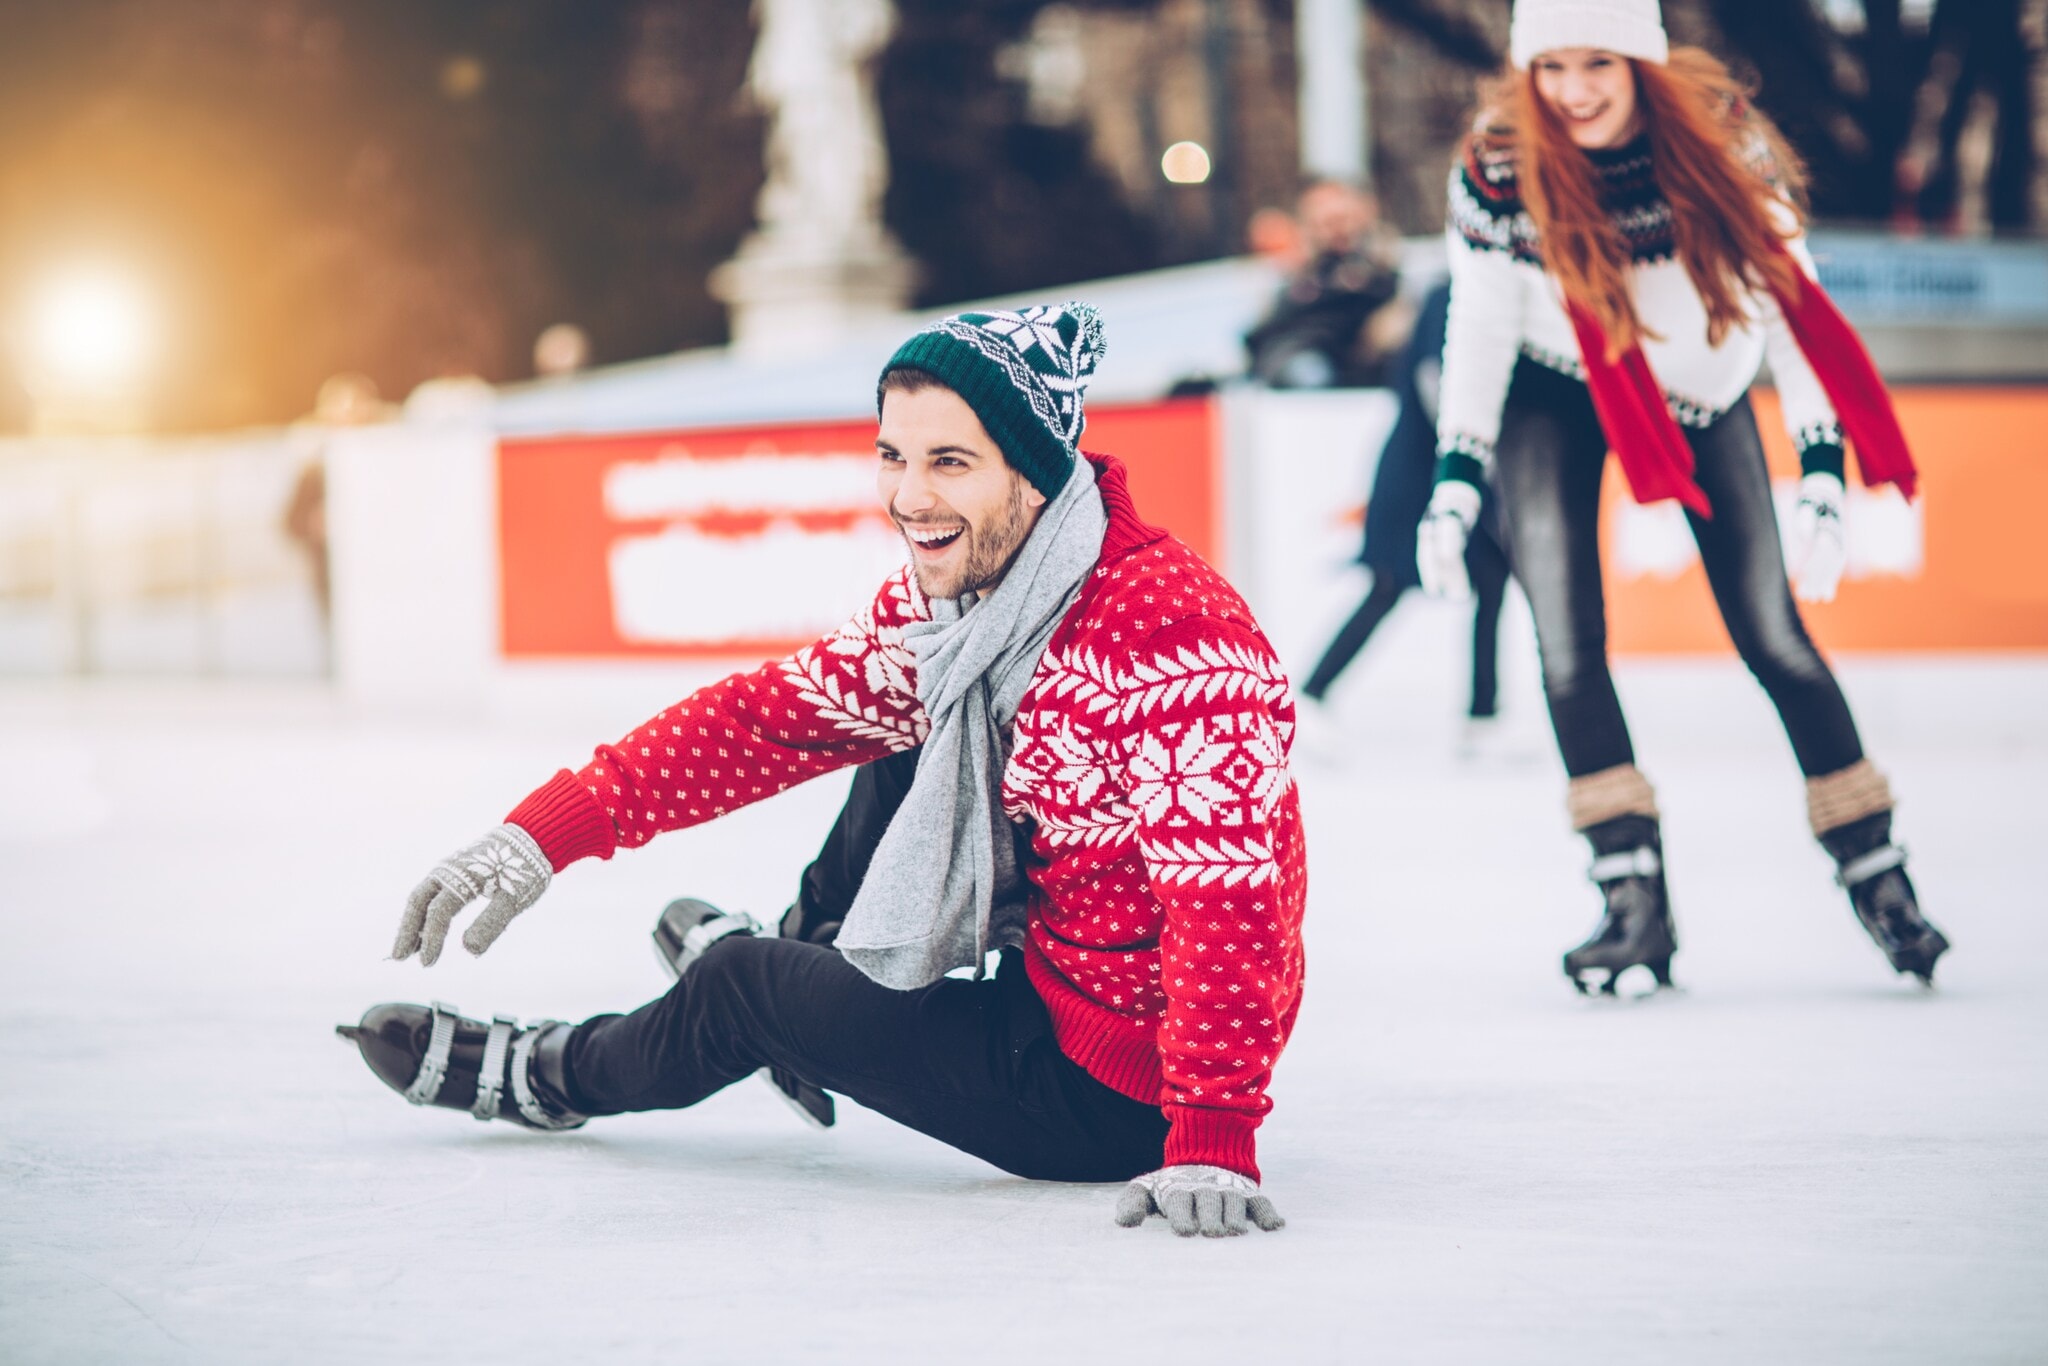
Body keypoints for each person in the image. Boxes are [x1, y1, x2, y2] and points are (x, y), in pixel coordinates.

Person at [339, 303, 1305, 1238]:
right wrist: (548, 830)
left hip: (1114, 1084)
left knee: (740, 984)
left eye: (951, 463)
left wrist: (1212, 1137)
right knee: (906, 730)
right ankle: (817, 956)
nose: (910, 498)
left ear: (1036, 476)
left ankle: (553, 1073)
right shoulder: (970, 615)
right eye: (895, 456)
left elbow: (1230, 906)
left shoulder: (1173, 645)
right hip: (1053, 965)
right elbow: (769, 721)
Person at [1414, 0, 1950, 993]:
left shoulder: (1719, 145)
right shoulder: (1500, 163)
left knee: (1770, 633)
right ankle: (1631, 899)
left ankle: (1877, 874)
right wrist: (1455, 476)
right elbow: (1479, 324)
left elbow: (1793, 316)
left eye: (1596, 67)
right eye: (1552, 68)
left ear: (1639, 64)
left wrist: (1822, 476)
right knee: (1565, 647)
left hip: (1698, 393)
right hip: (1548, 384)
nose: (1571, 92)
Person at [1299, 279, 1512, 742]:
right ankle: (1312, 692)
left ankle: (1482, 715)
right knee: (1388, 585)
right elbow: (1434, 378)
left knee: (1491, 577)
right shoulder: (1451, 294)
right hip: (1419, 475)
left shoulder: (1469, 290)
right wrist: (1476, 455)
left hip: (1446, 470)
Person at [1243, 179, 1401, 388]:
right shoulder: (1294, 276)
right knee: (1310, 373)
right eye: (1327, 223)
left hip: (1342, 365)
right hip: (1297, 361)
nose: (1338, 231)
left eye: (1342, 220)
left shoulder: (1374, 268)